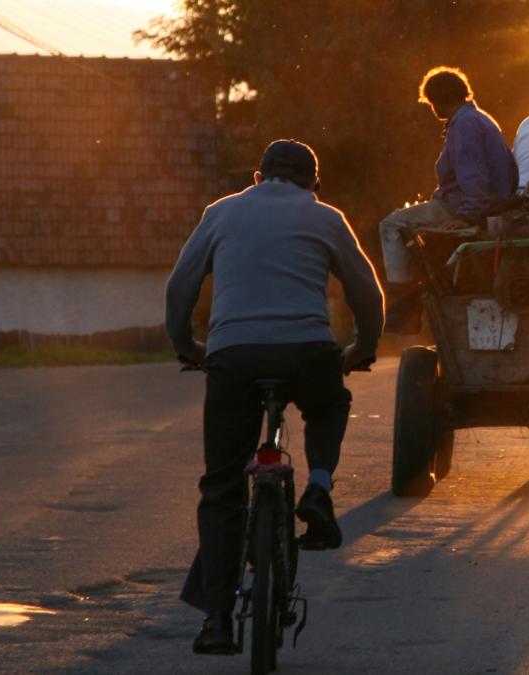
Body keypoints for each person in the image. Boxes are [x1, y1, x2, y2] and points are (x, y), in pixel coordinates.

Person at [165, 139, 384, 655]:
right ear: (312, 183)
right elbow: (366, 292)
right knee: (329, 403)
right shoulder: (326, 216)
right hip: (307, 352)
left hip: (232, 358)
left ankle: (217, 621)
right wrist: (362, 349)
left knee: (222, 486)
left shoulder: (220, 213)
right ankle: (320, 489)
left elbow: (180, 288)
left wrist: (188, 347)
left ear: (258, 178)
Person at [379, 66, 518, 333]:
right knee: (406, 219)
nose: (433, 109)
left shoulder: (464, 126)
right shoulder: (477, 118)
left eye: (432, 103)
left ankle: (404, 309)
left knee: (390, 225)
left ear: (439, 100)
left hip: (468, 207)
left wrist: (465, 217)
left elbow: (474, 180)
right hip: (482, 203)